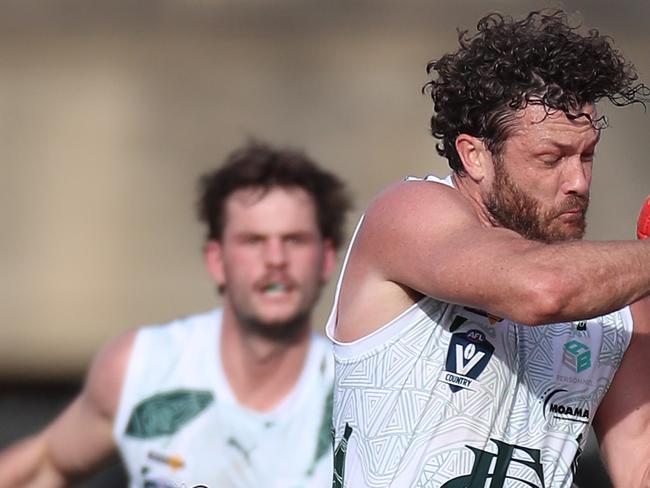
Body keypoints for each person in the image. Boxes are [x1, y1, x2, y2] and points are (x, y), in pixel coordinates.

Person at [327, 10, 650, 488]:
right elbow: (542, 289)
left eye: (587, 155)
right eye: (550, 158)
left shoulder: (618, 299)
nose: (578, 182)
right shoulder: (408, 212)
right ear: (474, 155)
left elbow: (639, 467)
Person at [0, 140, 352, 488]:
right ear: (216, 261)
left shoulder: (359, 396)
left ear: (326, 259)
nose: (275, 259)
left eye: (294, 240)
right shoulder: (141, 369)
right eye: (253, 240)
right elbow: (41, 467)